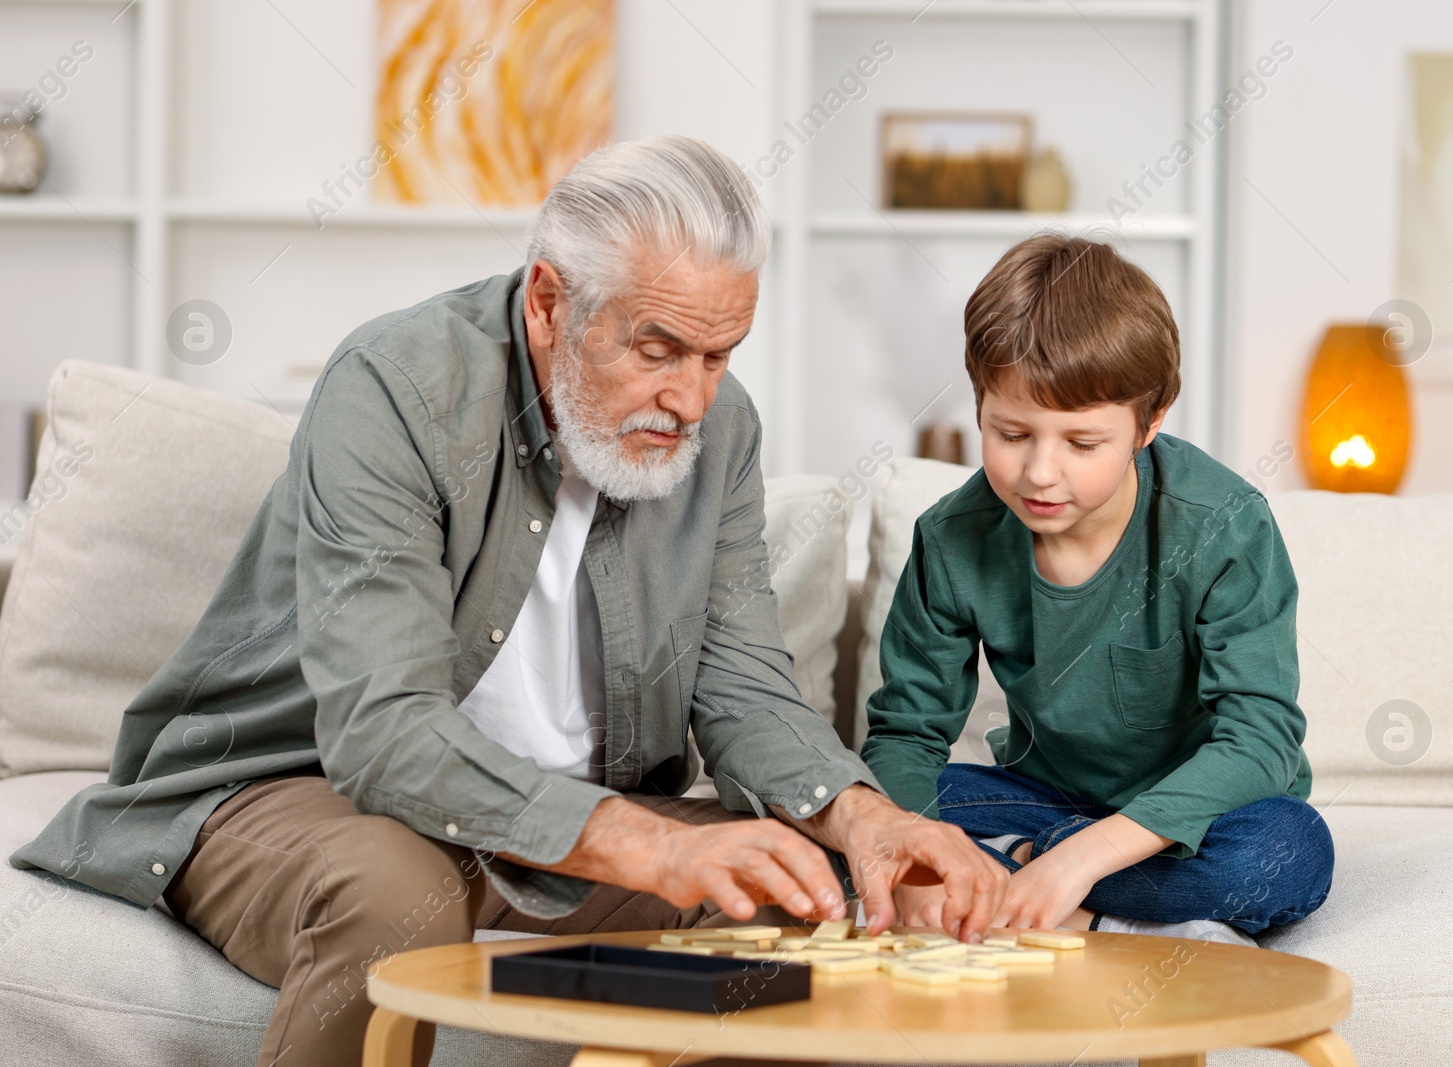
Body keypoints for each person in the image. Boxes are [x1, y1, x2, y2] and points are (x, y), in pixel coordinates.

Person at [11, 135, 1006, 1067]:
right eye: (657, 348)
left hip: (569, 815)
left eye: (719, 355)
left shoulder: (719, 430)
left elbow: (743, 684)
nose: (691, 399)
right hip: (306, 790)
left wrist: (861, 815)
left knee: (805, 894)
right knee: (395, 890)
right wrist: (646, 842)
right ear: (547, 302)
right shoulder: (394, 387)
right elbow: (383, 735)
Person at [860, 233, 1333, 944]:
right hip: (1042, 798)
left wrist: (1083, 855)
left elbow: (1260, 739)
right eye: (1011, 433)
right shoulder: (952, 536)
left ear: (1152, 420)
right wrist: (907, 844)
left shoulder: (1224, 525)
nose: (1040, 473)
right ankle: (1101, 915)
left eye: (1082, 444)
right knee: (842, 814)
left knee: (1289, 852)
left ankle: (1027, 887)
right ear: (980, 404)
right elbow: (906, 733)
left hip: (1196, 819)